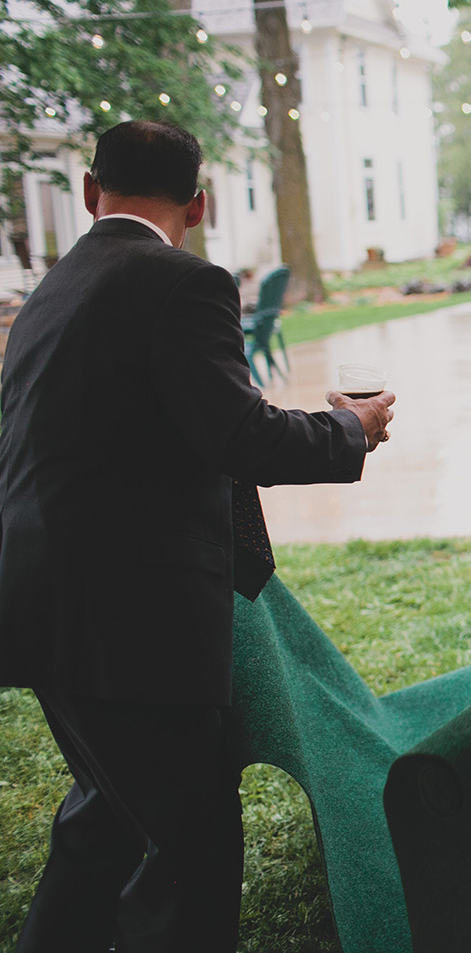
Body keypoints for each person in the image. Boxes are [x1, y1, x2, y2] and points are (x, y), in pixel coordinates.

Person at [0, 120, 396, 951]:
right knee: (192, 852)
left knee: (108, 813)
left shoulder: (52, 289)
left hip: (39, 602)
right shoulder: (181, 283)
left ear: (88, 191)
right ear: (201, 203)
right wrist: (349, 431)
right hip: (128, 621)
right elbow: (239, 436)